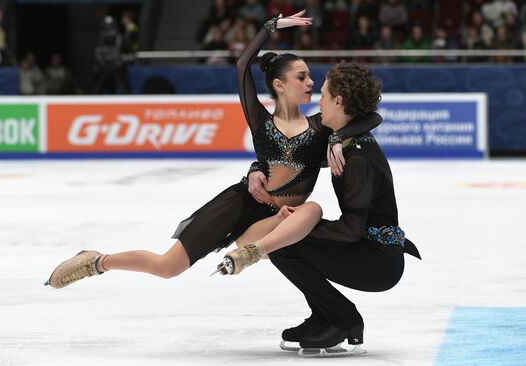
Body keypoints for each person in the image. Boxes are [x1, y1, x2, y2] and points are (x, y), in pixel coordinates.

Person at [44, 11, 380, 290]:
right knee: (168, 266)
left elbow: (371, 115)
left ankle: (258, 261)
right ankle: (96, 261)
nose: (310, 83)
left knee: (313, 210)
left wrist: (338, 138)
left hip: (275, 221)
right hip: (240, 204)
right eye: (302, 76)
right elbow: (241, 66)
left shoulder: (322, 126)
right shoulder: (261, 121)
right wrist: (271, 27)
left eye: (310, 77)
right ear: (280, 85)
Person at [215, 62, 421, 355]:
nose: (318, 101)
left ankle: (342, 318)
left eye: (324, 95)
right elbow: (285, 156)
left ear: (339, 101)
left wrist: (301, 228)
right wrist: (255, 169)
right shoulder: (346, 141)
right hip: (369, 249)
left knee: (285, 242)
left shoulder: (358, 158)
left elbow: (351, 229)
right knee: (287, 236)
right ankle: (325, 314)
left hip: (378, 261)